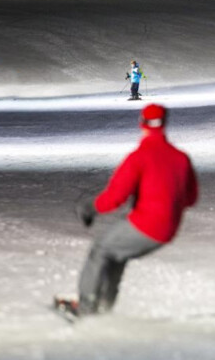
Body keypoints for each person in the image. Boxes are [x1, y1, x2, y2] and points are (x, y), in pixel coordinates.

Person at [59, 104, 198, 318]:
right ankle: (104, 309)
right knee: (116, 256)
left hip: (146, 224)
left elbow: (115, 197)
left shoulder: (139, 156)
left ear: (142, 123)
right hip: (168, 230)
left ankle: (85, 310)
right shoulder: (181, 158)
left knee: (100, 251)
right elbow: (190, 198)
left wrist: (89, 208)